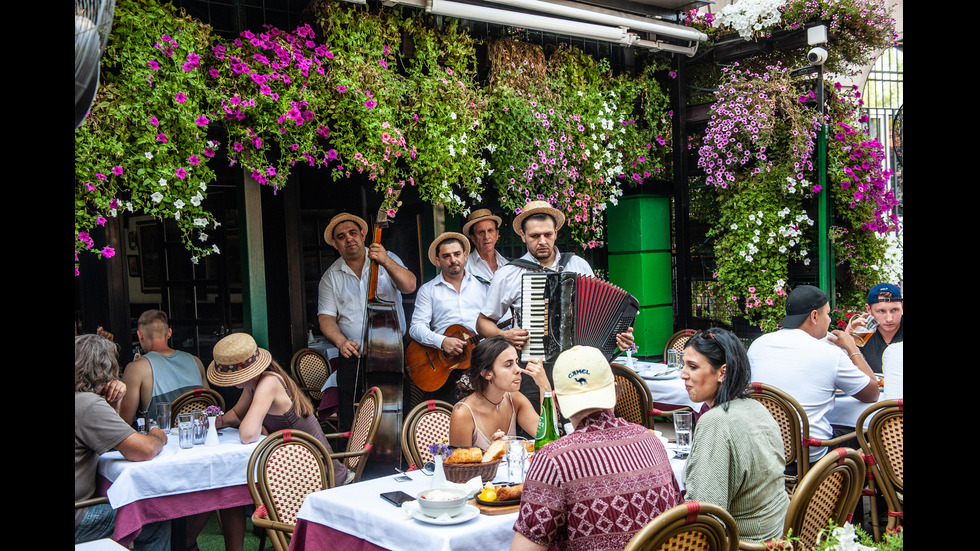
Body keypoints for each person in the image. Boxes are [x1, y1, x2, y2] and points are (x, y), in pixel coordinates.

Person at [510, 345, 679, 551]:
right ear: (615, 394)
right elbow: (678, 514)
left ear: (557, 402)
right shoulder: (650, 440)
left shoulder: (553, 459)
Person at [475, 201, 633, 408]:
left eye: (547, 235)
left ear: (556, 232)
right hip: (534, 367)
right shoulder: (509, 274)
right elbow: (482, 322)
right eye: (534, 236)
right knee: (540, 428)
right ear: (522, 235)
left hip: (579, 366)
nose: (542, 241)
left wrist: (618, 338)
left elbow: (599, 316)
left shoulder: (578, 265)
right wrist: (505, 335)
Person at [747, 285, 879, 464]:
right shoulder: (829, 354)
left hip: (764, 452)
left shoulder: (758, 345)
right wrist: (852, 346)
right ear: (814, 316)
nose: (830, 320)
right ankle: (861, 490)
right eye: (827, 314)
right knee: (871, 434)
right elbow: (872, 393)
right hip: (811, 457)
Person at [680, 328, 789, 543]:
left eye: (692, 367)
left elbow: (706, 518)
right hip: (776, 535)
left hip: (742, 542)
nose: (683, 374)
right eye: (683, 365)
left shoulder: (716, 421)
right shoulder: (757, 407)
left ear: (722, 372)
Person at [317, 212, 417, 431]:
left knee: (396, 411)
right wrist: (341, 342)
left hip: (392, 352)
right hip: (354, 355)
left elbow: (410, 285)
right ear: (335, 244)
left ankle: (397, 460)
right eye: (341, 236)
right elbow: (326, 318)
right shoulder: (331, 277)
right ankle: (355, 463)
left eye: (353, 233)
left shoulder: (387, 258)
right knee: (351, 414)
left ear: (363, 235)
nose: (348, 239)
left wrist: (385, 261)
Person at [209, 332, 349, 486]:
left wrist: (260, 429)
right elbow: (236, 414)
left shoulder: (268, 383)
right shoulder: (253, 384)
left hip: (320, 475)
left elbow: (248, 435)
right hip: (294, 469)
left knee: (236, 482)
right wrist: (217, 422)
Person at [75, 334, 171, 549]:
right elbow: (143, 451)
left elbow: (110, 443)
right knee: (154, 515)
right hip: (79, 515)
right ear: (105, 367)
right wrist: (157, 436)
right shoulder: (86, 403)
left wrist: (115, 404)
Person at [409, 232, 487, 403]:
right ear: (438, 261)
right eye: (446, 256)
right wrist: (442, 341)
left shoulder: (484, 286)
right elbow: (416, 327)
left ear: (465, 255)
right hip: (446, 366)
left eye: (457, 254)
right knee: (448, 414)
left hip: (481, 360)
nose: (453, 260)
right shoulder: (428, 290)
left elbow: (498, 322)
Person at [449, 336, 550, 448]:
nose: (518, 369)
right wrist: (491, 454)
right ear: (487, 373)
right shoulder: (462, 414)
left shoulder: (515, 399)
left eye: (517, 362)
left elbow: (548, 439)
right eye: (508, 365)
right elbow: (458, 465)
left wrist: (545, 386)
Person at [119, 309, 208, 426]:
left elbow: (124, 421)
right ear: (169, 333)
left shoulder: (136, 369)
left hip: (161, 439)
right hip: (196, 435)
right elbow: (209, 405)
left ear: (139, 335)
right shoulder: (196, 361)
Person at [846, 282, 903, 374]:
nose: (889, 319)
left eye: (894, 310)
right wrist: (847, 335)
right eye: (881, 311)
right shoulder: (862, 333)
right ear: (868, 310)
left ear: (902, 307)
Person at [462, 208, 508, 285]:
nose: (486, 237)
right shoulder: (464, 266)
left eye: (490, 231)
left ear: (497, 234)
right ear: (473, 238)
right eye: (481, 232)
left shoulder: (506, 265)